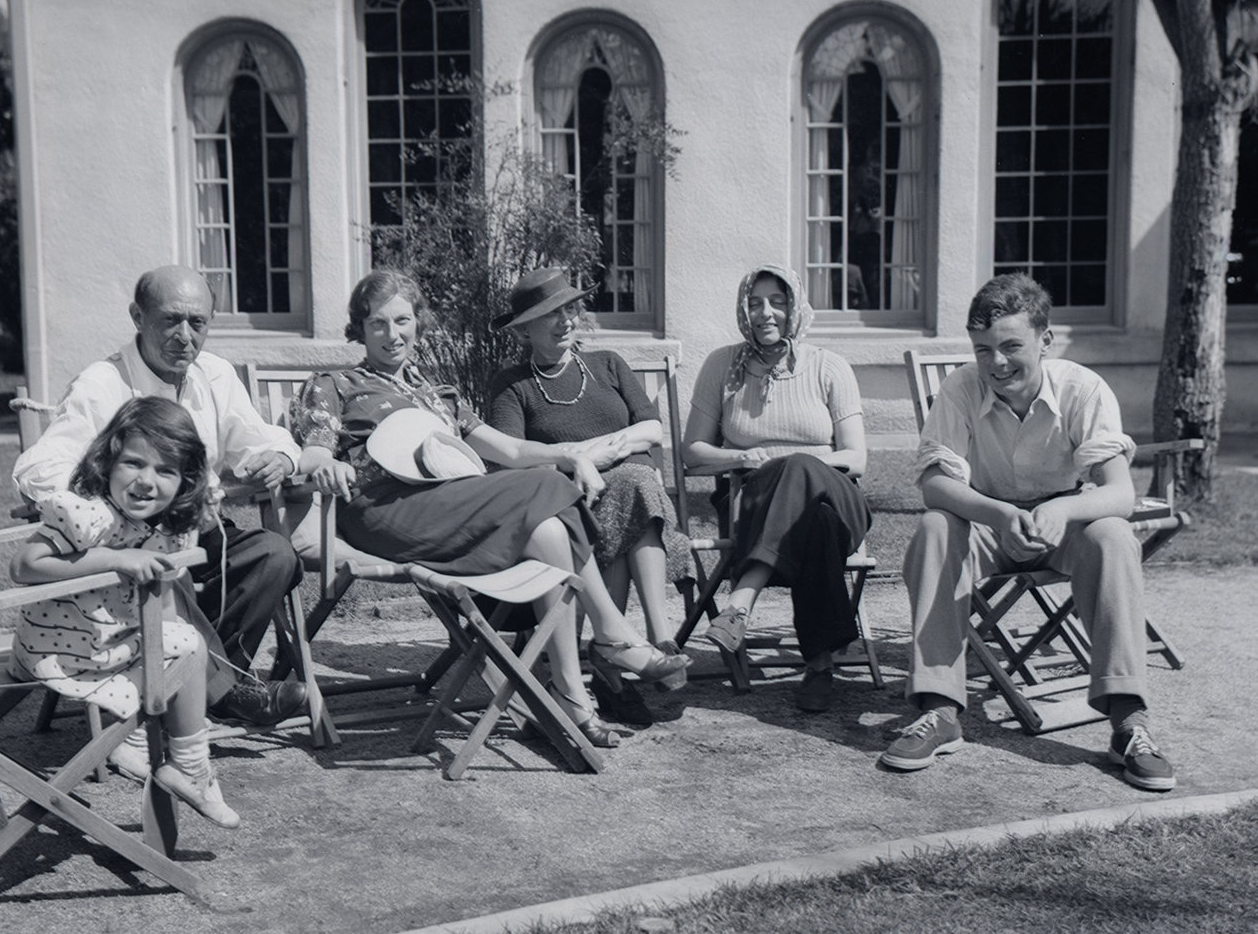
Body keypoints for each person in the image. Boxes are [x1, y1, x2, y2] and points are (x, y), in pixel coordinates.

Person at [289, 268, 692, 748]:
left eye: (402, 320)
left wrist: (570, 455)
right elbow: (312, 452)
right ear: (360, 327)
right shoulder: (336, 384)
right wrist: (325, 464)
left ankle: (569, 694)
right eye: (377, 323)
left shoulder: (437, 394)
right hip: (384, 511)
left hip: (449, 508)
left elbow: (512, 450)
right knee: (545, 484)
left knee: (549, 533)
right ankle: (611, 633)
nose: (391, 334)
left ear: (418, 323)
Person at [879, 273, 1176, 791]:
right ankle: (939, 710)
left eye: (1011, 346)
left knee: (1112, 535)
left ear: (1045, 340)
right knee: (934, 528)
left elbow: (1119, 494)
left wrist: (1063, 510)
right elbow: (934, 485)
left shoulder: (1083, 389)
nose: (996, 363)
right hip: (987, 522)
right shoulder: (960, 388)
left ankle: (1128, 722)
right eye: (983, 350)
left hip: (1064, 523)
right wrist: (998, 514)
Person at [13, 265, 306, 727]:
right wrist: (119, 502)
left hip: (199, 530)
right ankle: (225, 695)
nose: (185, 336)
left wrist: (280, 458)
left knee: (274, 554)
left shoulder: (214, 374)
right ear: (138, 317)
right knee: (165, 565)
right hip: (129, 542)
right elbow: (38, 468)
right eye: (171, 320)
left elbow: (261, 437)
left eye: (197, 322)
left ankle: (194, 684)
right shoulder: (101, 384)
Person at [9, 397, 238, 827]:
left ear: (185, 481)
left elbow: (163, 603)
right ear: (108, 462)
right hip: (56, 653)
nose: (146, 482)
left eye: (165, 471)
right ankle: (187, 766)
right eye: (134, 463)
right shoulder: (90, 515)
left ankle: (163, 751)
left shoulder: (165, 529)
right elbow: (23, 565)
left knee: (186, 645)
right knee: (187, 647)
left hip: (106, 644)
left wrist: (173, 667)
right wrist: (114, 559)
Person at [488, 267, 693, 726]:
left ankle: (640, 648)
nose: (564, 321)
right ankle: (642, 649)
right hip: (565, 509)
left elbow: (651, 428)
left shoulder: (607, 364)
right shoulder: (512, 385)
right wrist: (576, 462)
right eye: (550, 314)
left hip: (628, 501)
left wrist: (598, 452)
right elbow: (511, 462)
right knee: (632, 487)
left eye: (569, 309)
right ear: (524, 329)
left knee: (632, 481)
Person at [682, 263, 871, 712]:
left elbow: (856, 458)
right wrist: (741, 458)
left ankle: (741, 600)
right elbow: (692, 451)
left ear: (796, 306)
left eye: (778, 301)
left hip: (837, 495)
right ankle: (820, 667)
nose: (766, 312)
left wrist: (798, 463)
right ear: (743, 309)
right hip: (752, 498)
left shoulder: (829, 366)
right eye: (755, 303)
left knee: (801, 470)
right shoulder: (722, 366)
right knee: (814, 523)